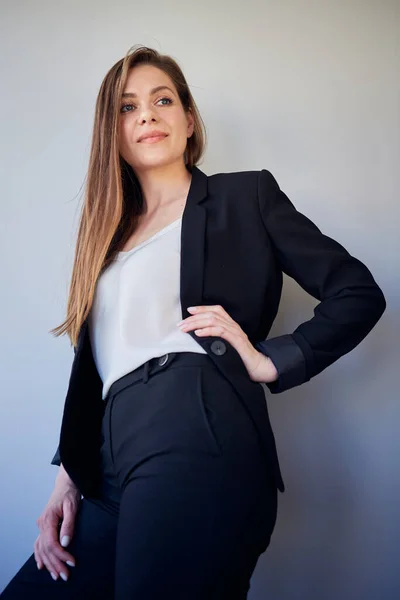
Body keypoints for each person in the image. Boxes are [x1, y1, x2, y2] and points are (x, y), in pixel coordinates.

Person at [1, 44, 386, 599]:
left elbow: (357, 291)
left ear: (188, 118)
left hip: (193, 422)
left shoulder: (244, 196)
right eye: (127, 107)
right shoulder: (105, 240)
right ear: (112, 132)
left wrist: (270, 360)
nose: (148, 115)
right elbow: (106, 362)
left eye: (162, 100)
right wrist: (68, 476)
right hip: (108, 463)